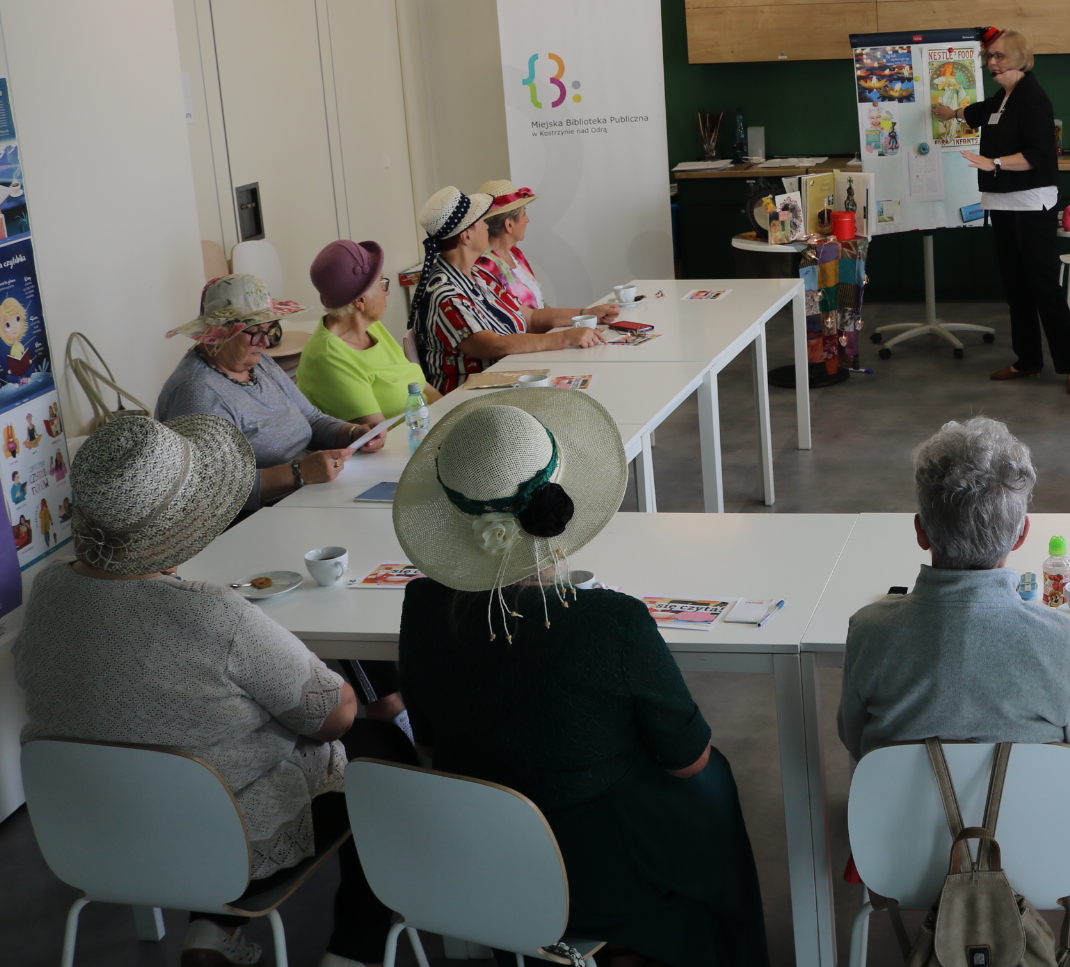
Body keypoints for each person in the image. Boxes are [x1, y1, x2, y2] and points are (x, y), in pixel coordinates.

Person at [10, 413, 398, 967]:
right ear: (182, 523)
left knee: (202, 752)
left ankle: (210, 933)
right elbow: (335, 715)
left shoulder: (48, 593)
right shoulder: (208, 613)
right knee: (379, 755)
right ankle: (353, 951)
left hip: (92, 835)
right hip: (215, 844)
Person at [397, 390, 768, 967]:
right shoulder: (609, 620)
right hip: (597, 876)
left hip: (485, 863)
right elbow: (687, 759)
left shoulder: (421, 605)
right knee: (712, 777)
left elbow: (428, 742)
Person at [839, 417, 1070, 921]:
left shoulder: (869, 631)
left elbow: (857, 741)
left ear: (920, 530)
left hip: (901, 856)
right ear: (1022, 534)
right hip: (1039, 861)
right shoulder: (1064, 642)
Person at [156, 274, 387, 514]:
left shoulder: (257, 362)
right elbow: (210, 490)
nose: (265, 342)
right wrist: (298, 473)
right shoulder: (196, 393)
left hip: (308, 494)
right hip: (261, 518)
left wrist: (352, 433)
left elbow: (312, 418)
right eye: (255, 332)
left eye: (270, 329)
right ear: (220, 333)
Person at [953, 29, 1070, 395]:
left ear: (1019, 58)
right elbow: (978, 113)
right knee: (1016, 288)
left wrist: (991, 161)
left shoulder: (1033, 99)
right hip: (1001, 203)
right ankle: (1028, 360)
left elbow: (1039, 156)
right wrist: (950, 111)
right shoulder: (1004, 97)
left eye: (1000, 56)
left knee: (1043, 286)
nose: (992, 63)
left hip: (1031, 203)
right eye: (989, 57)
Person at [408, 186, 619, 395]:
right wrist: (565, 338)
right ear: (466, 237)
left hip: (507, 381)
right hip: (471, 396)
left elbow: (531, 317)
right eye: (481, 222)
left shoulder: (479, 275)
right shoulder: (445, 294)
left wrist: (587, 313)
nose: (487, 227)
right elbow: (494, 346)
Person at [297, 238, 438, 424]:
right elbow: (378, 433)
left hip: (427, 428)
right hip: (401, 445)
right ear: (360, 301)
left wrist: (454, 418)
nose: (387, 292)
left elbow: (420, 385)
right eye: (382, 284)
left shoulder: (372, 326)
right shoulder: (328, 358)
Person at [472, 180, 546, 313]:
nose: (527, 219)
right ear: (509, 225)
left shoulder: (516, 254)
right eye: (524, 213)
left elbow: (542, 307)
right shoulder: (485, 267)